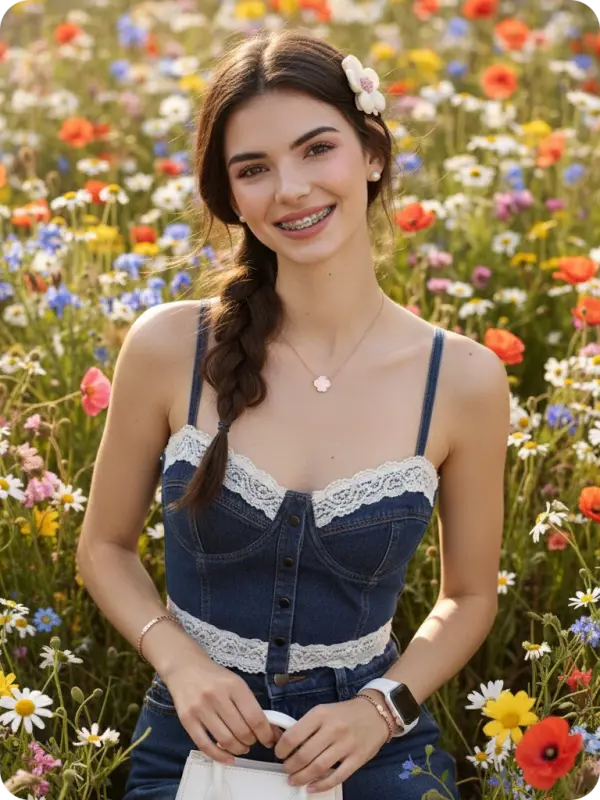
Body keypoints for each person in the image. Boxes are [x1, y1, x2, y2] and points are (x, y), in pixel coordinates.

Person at [77, 27, 510, 800]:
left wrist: (381, 709)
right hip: (193, 731)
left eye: (318, 149)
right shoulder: (169, 345)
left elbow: (470, 596)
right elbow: (104, 547)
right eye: (255, 169)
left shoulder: (464, 378)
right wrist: (182, 664)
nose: (291, 190)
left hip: (370, 746)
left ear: (371, 151)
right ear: (231, 196)